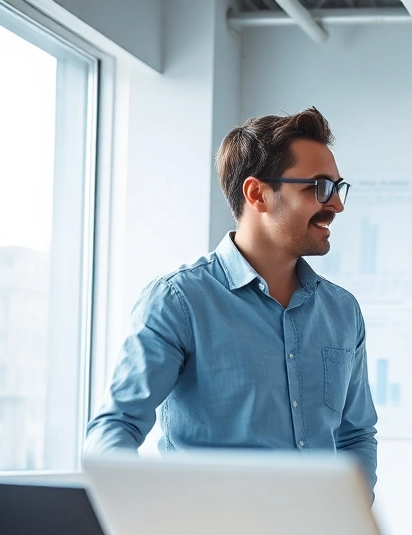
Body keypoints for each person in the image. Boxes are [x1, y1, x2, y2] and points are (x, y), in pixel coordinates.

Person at [85, 108, 378, 489]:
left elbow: (356, 436)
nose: (337, 204)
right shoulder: (180, 301)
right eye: (319, 187)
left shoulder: (342, 312)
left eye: (338, 188)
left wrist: (349, 514)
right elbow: (114, 428)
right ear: (258, 194)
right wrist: (146, 515)